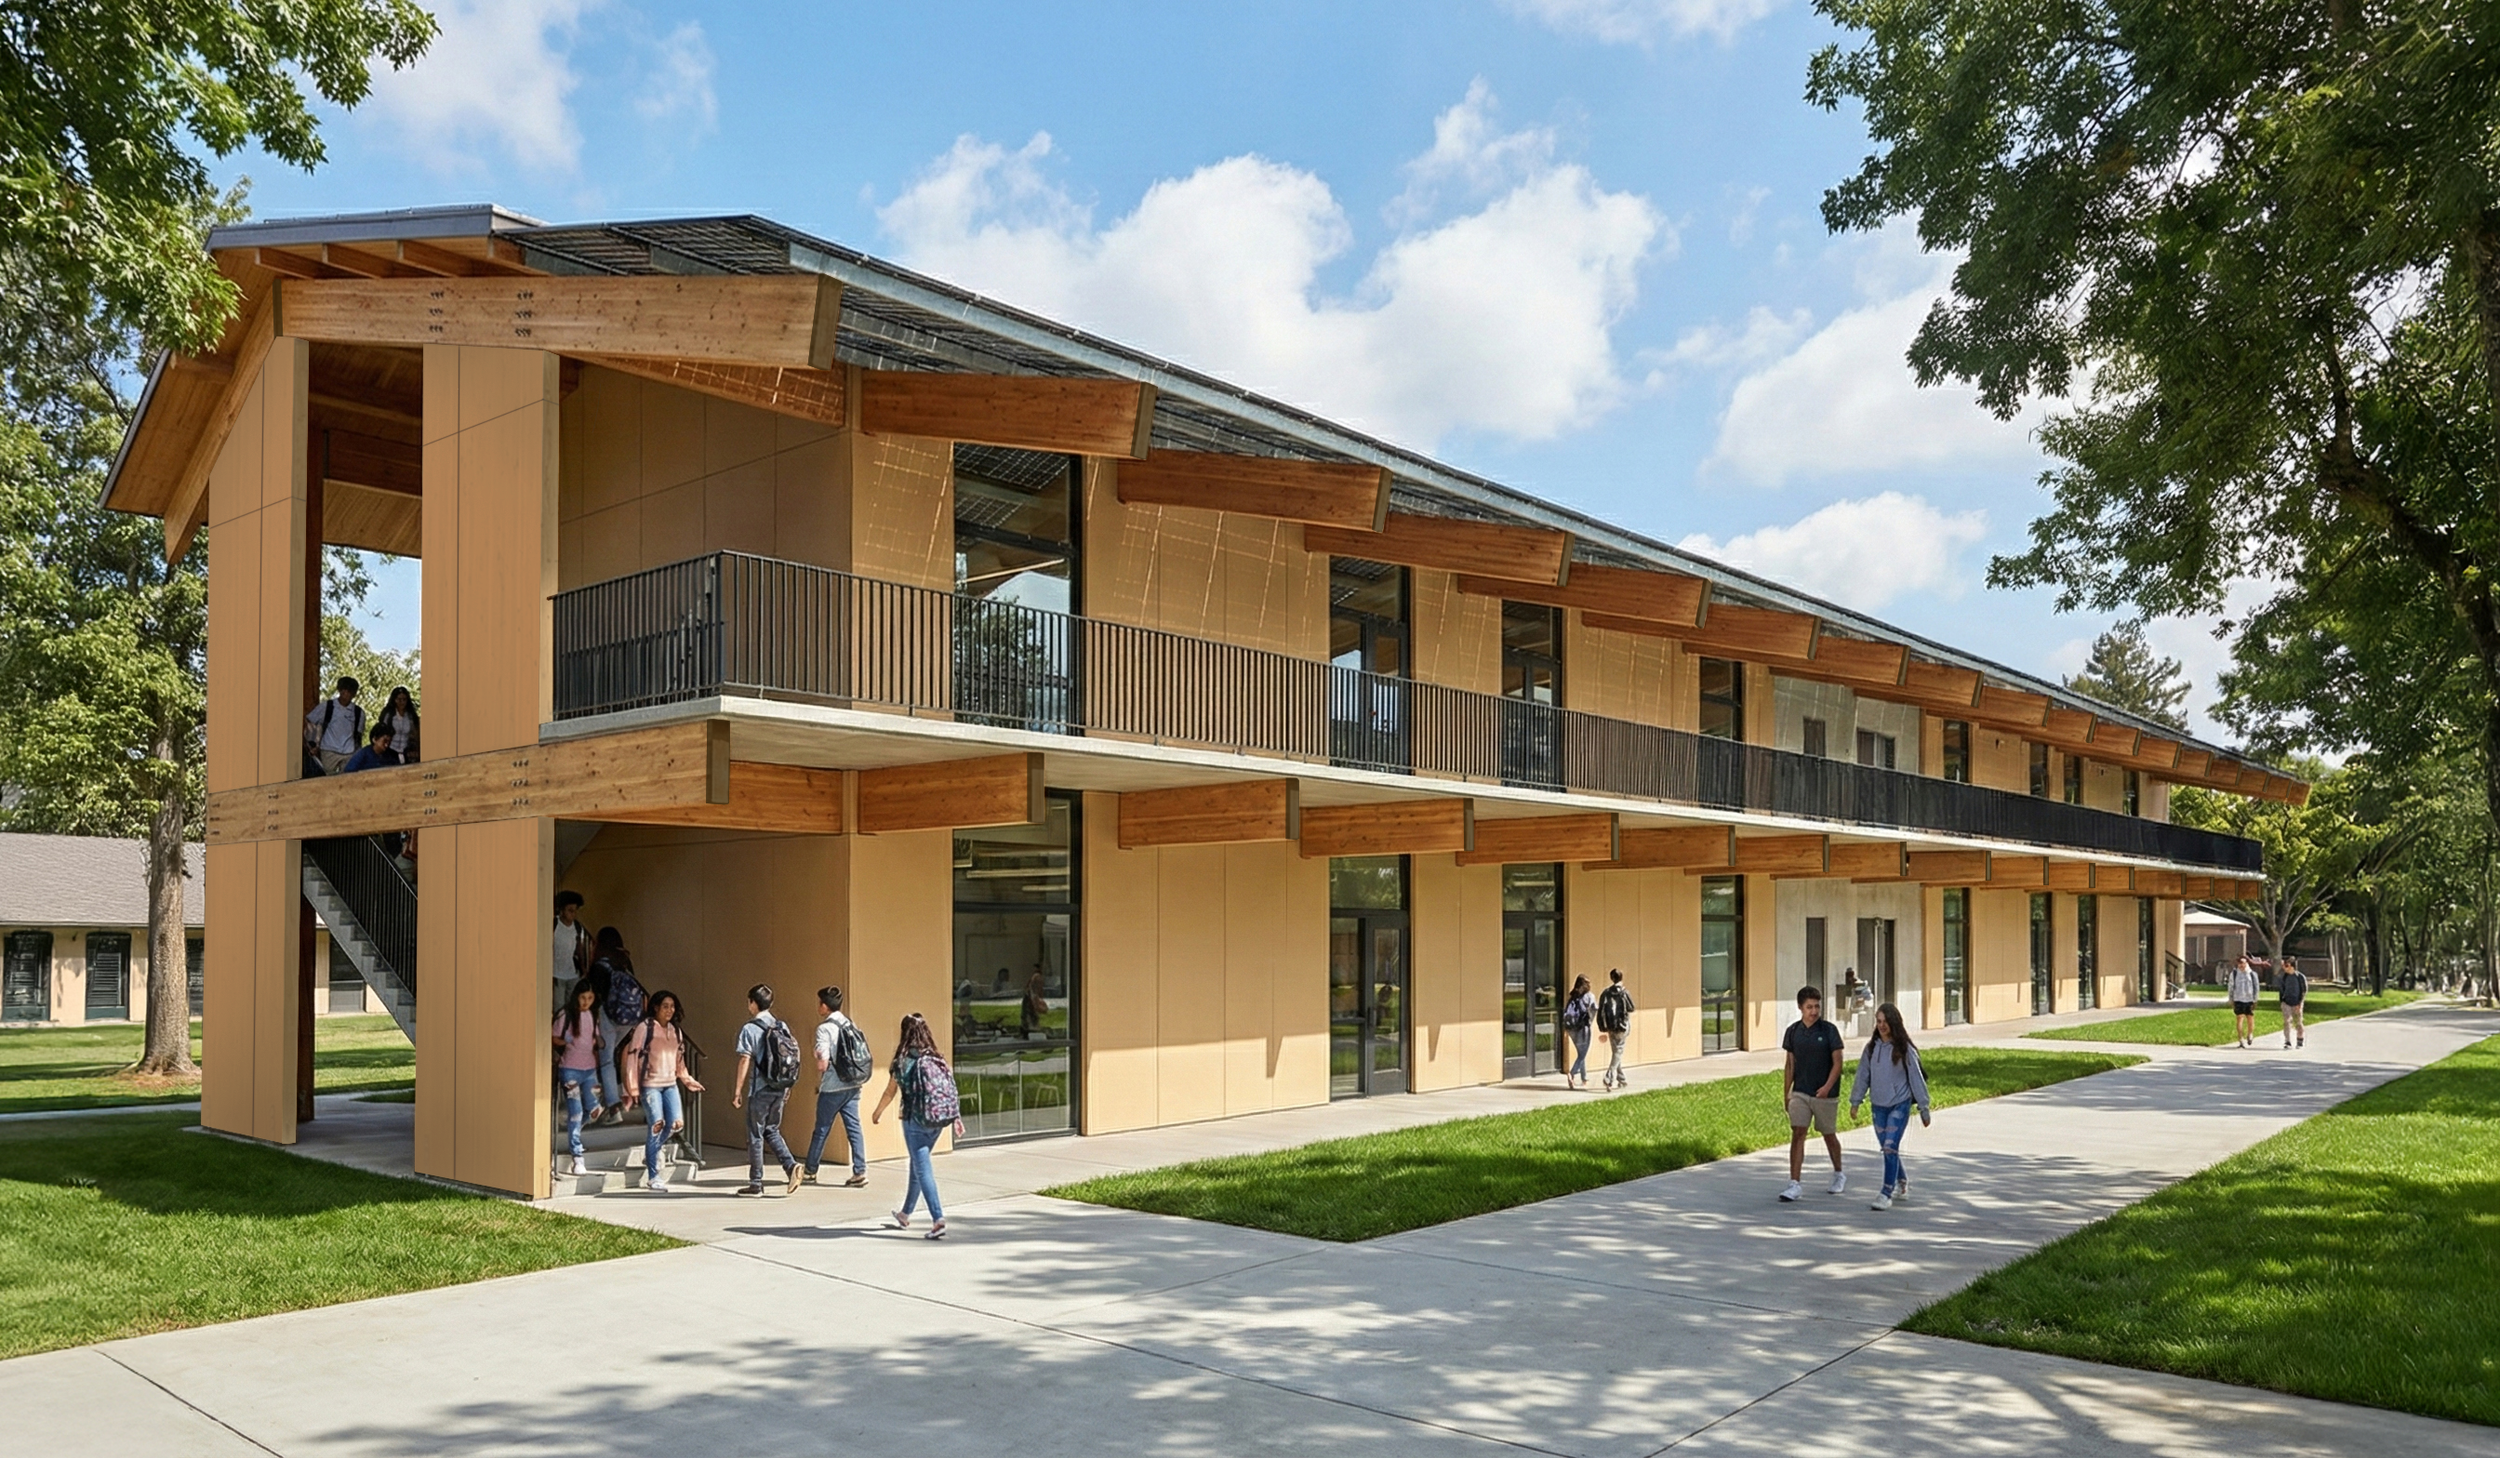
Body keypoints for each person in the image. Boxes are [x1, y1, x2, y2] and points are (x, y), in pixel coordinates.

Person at [872, 1012, 960, 1240]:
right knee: (917, 1163)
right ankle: (905, 1213)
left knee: (922, 1169)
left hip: (915, 1121)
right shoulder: (936, 1057)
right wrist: (956, 1117)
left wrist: (877, 1112)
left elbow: (890, 1092)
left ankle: (938, 1219)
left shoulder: (903, 1062)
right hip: (938, 1120)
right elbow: (949, 1089)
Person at [1848, 1003, 1931, 1211]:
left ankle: (1886, 1193)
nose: (1882, 1025)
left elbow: (1916, 1078)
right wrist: (1856, 1101)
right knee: (1888, 1149)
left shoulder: (1904, 1049)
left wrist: (1924, 1108)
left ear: (1894, 1022)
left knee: (1889, 1147)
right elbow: (1862, 1076)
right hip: (1878, 1105)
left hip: (1899, 1104)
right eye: (1879, 1021)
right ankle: (1902, 1181)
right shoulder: (1871, 1049)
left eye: (1886, 1021)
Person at [619, 990, 703, 1194]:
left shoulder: (676, 1031)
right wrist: (632, 1087)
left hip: (670, 1084)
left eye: (672, 1006)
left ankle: (652, 1151)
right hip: (650, 1085)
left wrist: (688, 1080)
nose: (669, 1010)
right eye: (665, 1006)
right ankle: (653, 1176)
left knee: (676, 1124)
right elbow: (632, 1057)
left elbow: (679, 1061)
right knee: (656, 1125)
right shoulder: (644, 1028)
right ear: (656, 1007)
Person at [732, 983, 803, 1197]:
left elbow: (745, 1059)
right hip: (779, 1087)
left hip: (760, 1089)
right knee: (771, 1129)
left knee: (755, 1134)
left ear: (753, 1003)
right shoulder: (781, 1026)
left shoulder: (749, 1029)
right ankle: (790, 1166)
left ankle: (756, 1184)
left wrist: (737, 1090)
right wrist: (787, 1086)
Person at [1780, 985, 1847, 1201]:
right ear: (1800, 1007)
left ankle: (1838, 1173)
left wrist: (1827, 1087)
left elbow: (1838, 1062)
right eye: (1809, 1007)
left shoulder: (1828, 1031)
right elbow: (1790, 1064)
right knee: (1798, 1133)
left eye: (1817, 1006)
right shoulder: (1793, 1032)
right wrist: (1787, 1093)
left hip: (1825, 1094)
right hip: (1801, 1091)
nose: (1814, 1011)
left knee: (1828, 1134)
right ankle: (1794, 1183)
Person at [804, 986, 869, 1187]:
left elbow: (822, 1063)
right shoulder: (849, 1023)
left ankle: (810, 1171)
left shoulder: (824, 1029)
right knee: (854, 1128)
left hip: (832, 1087)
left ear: (825, 1006)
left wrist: (817, 1056)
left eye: (819, 1003)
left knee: (822, 1129)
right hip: (853, 1084)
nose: (818, 1007)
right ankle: (860, 1171)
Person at [550, 980, 605, 1177]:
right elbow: (553, 1037)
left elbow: (594, 1038)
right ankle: (577, 1156)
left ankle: (575, 1130)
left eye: (590, 998)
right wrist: (565, 1041)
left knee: (595, 1110)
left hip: (589, 1070)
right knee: (576, 1112)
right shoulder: (566, 1015)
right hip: (570, 1069)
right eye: (583, 997)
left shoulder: (593, 1014)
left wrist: (599, 1042)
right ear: (576, 997)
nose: (586, 1002)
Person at [584, 927, 640, 1121]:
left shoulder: (599, 966)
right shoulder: (624, 961)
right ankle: (614, 1095)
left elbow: (595, 995)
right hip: (628, 1018)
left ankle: (614, 1107)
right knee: (611, 1056)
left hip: (607, 1016)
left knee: (606, 1060)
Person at [303, 676, 364, 775]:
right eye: (344, 690)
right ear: (339, 690)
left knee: (347, 779)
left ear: (354, 694)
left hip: (349, 752)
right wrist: (312, 743)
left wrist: (358, 754)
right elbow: (310, 721)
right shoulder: (327, 706)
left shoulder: (358, 712)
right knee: (326, 778)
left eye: (349, 691)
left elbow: (358, 735)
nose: (346, 694)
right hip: (328, 750)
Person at [551, 892, 591, 1019]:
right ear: (562, 910)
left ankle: (568, 1025)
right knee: (558, 1005)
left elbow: (579, 948)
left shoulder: (577, 927)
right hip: (556, 971)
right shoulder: (554, 925)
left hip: (572, 972)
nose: (573, 914)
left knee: (571, 1004)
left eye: (575, 911)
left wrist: (583, 967)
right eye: (570, 910)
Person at [1596, 968, 1635, 1090]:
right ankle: (1609, 1077)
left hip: (1610, 1026)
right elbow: (1631, 1007)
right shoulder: (1624, 992)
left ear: (1611, 978)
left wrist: (1602, 1025)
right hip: (1622, 1026)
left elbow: (1600, 1010)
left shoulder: (1606, 993)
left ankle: (1621, 1079)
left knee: (1616, 1052)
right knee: (1618, 1052)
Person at [1560, 975, 1597, 1089]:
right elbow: (1594, 1009)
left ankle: (1584, 1079)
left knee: (1581, 1052)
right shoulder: (1589, 996)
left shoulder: (1573, 996)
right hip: (1583, 1028)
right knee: (1582, 1054)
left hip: (1571, 1029)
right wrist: (1590, 1021)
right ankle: (1572, 1074)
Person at [379, 685, 420, 760]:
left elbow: (415, 734)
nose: (402, 702)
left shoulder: (411, 716)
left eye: (404, 699)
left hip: (406, 752)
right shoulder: (388, 715)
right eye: (399, 699)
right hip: (390, 751)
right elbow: (382, 733)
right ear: (394, 700)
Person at [2228, 955, 2261, 1049]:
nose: (2241, 965)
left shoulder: (2252, 974)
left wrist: (2255, 999)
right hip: (2238, 999)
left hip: (2249, 999)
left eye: (2243, 963)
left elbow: (2256, 987)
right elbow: (2231, 987)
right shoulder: (2234, 974)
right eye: (2240, 963)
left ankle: (2250, 1034)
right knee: (2240, 1018)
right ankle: (2241, 1039)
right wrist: (2231, 999)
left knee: (2250, 1018)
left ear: (2247, 963)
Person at [2278, 958, 2309, 1049]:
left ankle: (2300, 1040)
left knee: (2298, 1022)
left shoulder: (2300, 977)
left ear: (2292, 966)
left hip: (2297, 1002)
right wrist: (2282, 1001)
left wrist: (2300, 1002)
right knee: (2287, 1022)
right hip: (2286, 1002)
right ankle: (2287, 1041)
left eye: (2287, 966)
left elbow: (2304, 991)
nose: (2285, 968)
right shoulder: (2284, 977)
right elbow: (2281, 989)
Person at [1020, 972, 1049, 1039]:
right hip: (1030, 1025)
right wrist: (1044, 1007)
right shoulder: (1032, 994)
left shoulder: (1031, 993)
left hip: (1030, 1022)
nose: (1041, 985)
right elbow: (1038, 1007)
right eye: (1040, 983)